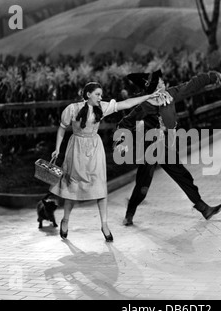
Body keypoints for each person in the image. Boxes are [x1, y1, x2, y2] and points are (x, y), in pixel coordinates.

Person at [49, 82, 165, 242]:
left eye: (101, 94)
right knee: (72, 189)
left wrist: (149, 96)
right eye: (97, 94)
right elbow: (62, 128)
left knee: (100, 187)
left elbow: (126, 103)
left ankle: (104, 225)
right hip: (76, 149)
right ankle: (66, 220)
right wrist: (57, 149)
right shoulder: (72, 109)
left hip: (95, 149)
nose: (100, 97)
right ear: (88, 94)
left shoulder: (102, 107)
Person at [115, 69, 221, 226]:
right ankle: (130, 213)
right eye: (159, 83)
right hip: (148, 147)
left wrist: (212, 77)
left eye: (162, 81)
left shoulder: (170, 94)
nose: (163, 83)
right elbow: (125, 123)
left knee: (182, 174)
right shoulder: (145, 106)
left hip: (162, 145)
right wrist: (121, 143)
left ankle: (204, 208)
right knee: (143, 185)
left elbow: (191, 85)